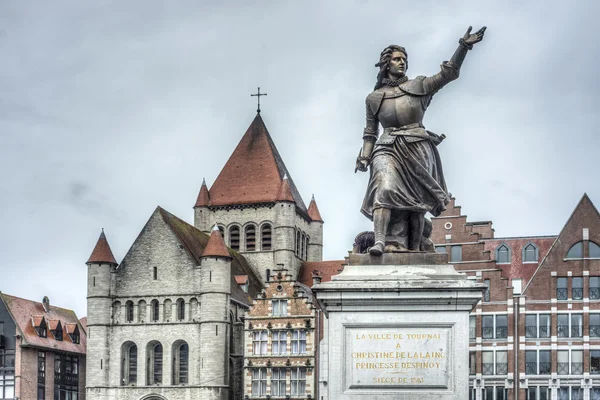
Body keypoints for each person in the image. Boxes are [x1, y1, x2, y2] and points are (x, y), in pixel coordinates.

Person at [356, 26, 486, 255]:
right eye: (396, 59)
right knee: (383, 189)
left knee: (417, 205)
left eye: (404, 59)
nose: (402, 62)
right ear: (386, 63)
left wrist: (463, 47)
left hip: (417, 146)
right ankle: (380, 242)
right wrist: (365, 156)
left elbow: (449, 74)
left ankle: (414, 247)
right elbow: (370, 133)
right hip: (386, 147)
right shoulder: (374, 98)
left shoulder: (419, 86)